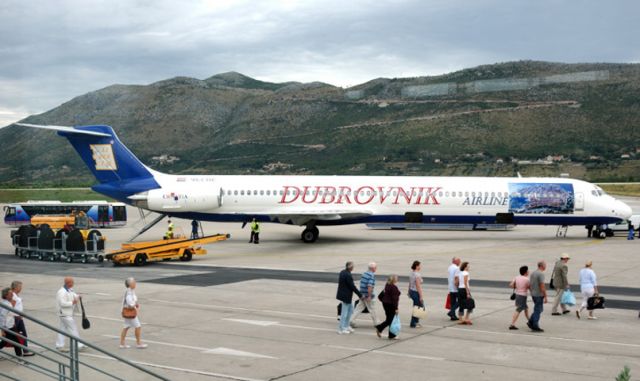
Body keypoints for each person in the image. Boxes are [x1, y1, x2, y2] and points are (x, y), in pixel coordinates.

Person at [55, 277, 85, 352]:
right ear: (68, 283)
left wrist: (78, 296)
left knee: (63, 329)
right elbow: (62, 303)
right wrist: (72, 303)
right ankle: (78, 344)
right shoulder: (62, 292)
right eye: (72, 282)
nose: (73, 283)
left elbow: (73, 295)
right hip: (65, 314)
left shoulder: (69, 290)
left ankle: (59, 345)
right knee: (73, 328)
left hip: (67, 313)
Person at [119, 278, 148, 349]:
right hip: (130, 312)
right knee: (138, 326)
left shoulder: (131, 291)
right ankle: (138, 343)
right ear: (130, 284)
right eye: (134, 282)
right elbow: (130, 303)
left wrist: (135, 303)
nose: (135, 283)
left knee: (126, 327)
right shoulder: (129, 292)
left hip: (127, 312)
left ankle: (122, 344)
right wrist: (135, 303)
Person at [336, 261, 362, 334]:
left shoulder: (343, 272)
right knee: (344, 313)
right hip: (346, 296)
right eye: (352, 266)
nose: (353, 267)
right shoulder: (348, 275)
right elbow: (352, 286)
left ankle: (346, 326)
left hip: (345, 295)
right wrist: (360, 295)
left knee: (350, 310)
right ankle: (341, 328)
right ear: (349, 267)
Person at [350, 262, 379, 328]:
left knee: (358, 309)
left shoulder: (364, 274)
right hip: (367, 296)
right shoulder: (371, 276)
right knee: (372, 309)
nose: (376, 269)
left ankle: (351, 320)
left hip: (362, 294)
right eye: (375, 267)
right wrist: (369, 296)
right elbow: (369, 286)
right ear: (373, 268)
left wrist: (361, 295)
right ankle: (377, 324)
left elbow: (362, 284)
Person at [10, 281, 33, 356]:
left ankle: (25, 351)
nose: (21, 288)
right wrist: (16, 316)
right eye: (20, 287)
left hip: (19, 318)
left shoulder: (16, 294)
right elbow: (11, 308)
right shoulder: (13, 295)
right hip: (15, 318)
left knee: (23, 334)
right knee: (10, 336)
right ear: (16, 287)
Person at [375, 275, 401, 339]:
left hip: (385, 304)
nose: (397, 279)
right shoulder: (393, 287)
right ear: (394, 280)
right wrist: (396, 308)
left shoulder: (387, 285)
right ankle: (379, 328)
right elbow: (395, 299)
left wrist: (384, 300)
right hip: (390, 305)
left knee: (390, 319)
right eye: (396, 278)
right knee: (390, 320)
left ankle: (391, 335)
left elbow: (383, 294)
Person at [0, 288, 22, 357]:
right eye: (10, 294)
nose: (12, 295)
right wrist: (2, 329)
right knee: (16, 342)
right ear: (6, 295)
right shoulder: (6, 305)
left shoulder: (7, 303)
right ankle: (19, 357)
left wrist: (16, 317)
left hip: (9, 326)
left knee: (6, 341)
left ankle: (19, 356)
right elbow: (2, 317)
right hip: (7, 327)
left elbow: (9, 314)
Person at [527, 261, 548, 332]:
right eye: (545, 265)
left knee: (539, 309)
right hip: (539, 294)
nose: (546, 266)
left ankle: (530, 321)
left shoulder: (533, 273)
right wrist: (545, 296)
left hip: (534, 294)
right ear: (542, 266)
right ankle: (535, 325)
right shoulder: (541, 274)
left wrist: (531, 293)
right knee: (538, 310)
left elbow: (529, 285)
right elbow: (542, 286)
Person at [408, 260, 425, 328]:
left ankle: (416, 322)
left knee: (417, 307)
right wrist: (421, 296)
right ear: (417, 266)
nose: (420, 267)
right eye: (419, 265)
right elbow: (418, 286)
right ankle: (413, 323)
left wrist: (409, 291)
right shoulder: (417, 274)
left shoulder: (412, 273)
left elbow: (410, 283)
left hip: (412, 291)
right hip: (415, 292)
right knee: (418, 307)